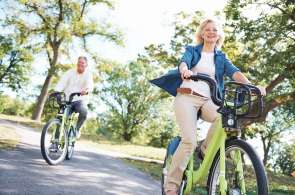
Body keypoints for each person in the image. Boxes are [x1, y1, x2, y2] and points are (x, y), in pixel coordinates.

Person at [150, 18, 266, 195]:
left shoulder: (221, 57)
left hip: (209, 100)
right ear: (202, 33)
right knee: (189, 140)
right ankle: (172, 185)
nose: (211, 32)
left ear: (219, 34)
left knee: (225, 118)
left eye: (214, 29)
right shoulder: (193, 50)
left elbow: (235, 73)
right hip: (187, 97)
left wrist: (252, 86)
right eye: (207, 29)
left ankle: (205, 150)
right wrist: (185, 70)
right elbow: (184, 62)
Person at [54, 56, 94, 139]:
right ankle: (55, 141)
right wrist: (57, 91)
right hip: (67, 100)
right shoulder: (70, 72)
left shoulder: (88, 74)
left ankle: (77, 129)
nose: (80, 64)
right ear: (77, 63)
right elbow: (62, 82)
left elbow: (90, 85)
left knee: (83, 111)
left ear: (86, 65)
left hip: (80, 100)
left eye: (82, 63)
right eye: (79, 62)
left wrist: (86, 90)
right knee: (61, 118)